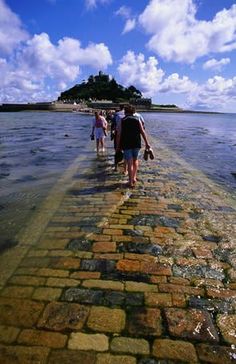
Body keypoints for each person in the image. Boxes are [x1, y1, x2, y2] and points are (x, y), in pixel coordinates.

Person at [116, 104, 151, 188]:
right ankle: (134, 178)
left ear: (125, 112)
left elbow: (119, 134)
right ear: (133, 112)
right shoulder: (137, 119)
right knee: (135, 160)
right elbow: (142, 131)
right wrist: (147, 143)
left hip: (127, 143)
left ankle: (130, 182)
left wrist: (118, 146)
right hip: (137, 143)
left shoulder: (122, 120)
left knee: (129, 162)